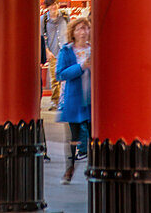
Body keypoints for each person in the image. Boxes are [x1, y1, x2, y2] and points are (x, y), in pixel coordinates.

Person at [56, 17, 91, 183]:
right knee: (73, 138)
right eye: (79, 29)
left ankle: (93, 168)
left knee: (94, 138)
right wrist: (81, 67)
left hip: (92, 102)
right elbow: (60, 74)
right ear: (73, 33)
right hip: (74, 100)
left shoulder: (94, 49)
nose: (83, 32)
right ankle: (69, 169)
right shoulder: (67, 51)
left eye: (86, 28)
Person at [41, 0, 69, 110]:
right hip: (52, 51)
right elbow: (42, 37)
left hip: (65, 50)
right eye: (52, 4)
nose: (55, 6)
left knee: (66, 77)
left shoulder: (65, 16)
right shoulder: (44, 19)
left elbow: (70, 30)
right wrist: (46, 51)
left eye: (56, 3)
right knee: (54, 78)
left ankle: (65, 101)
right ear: (47, 7)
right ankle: (55, 101)